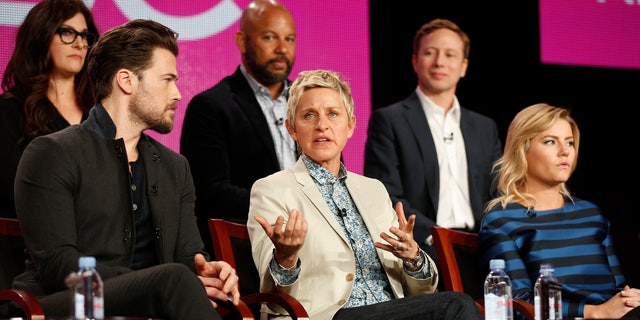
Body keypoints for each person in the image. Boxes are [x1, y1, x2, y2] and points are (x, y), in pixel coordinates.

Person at [13, 19, 240, 319]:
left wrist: (209, 272)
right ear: (126, 80)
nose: (178, 94)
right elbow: (59, 265)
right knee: (172, 279)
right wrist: (151, 281)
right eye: (167, 79)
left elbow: (187, 259)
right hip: (68, 302)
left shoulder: (176, 167)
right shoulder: (53, 153)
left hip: (155, 302)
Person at [247, 69, 483, 320]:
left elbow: (423, 291)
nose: (322, 125)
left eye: (333, 114)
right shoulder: (272, 190)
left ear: (350, 126)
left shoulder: (374, 190)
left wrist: (412, 258)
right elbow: (272, 297)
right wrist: (285, 258)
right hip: (327, 315)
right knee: (455, 306)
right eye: (309, 116)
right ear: (292, 129)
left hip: (392, 312)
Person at [478, 103, 640, 319]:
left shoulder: (592, 215)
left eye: (570, 143)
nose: (565, 151)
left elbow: (618, 289)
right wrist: (595, 312)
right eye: (550, 141)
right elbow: (516, 305)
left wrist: (629, 300)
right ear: (522, 149)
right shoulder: (501, 220)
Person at [363, 18, 502, 262]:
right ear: (415, 60)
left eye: (450, 55)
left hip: (483, 247)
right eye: (430, 53)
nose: (439, 62)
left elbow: (499, 192)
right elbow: (385, 193)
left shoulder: (484, 127)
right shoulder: (389, 120)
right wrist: (435, 238)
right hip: (424, 248)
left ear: (463, 66)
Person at [180, 0, 298, 256]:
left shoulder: (308, 102)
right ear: (242, 41)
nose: (282, 49)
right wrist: (287, 209)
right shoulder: (210, 107)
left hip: (313, 239)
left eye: (289, 39)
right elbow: (210, 191)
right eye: (270, 37)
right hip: (249, 247)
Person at [0, 0, 98, 217]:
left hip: (96, 244)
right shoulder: (8, 110)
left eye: (84, 35)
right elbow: (13, 191)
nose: (80, 44)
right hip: (28, 243)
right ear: (40, 37)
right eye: (67, 33)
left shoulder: (100, 112)